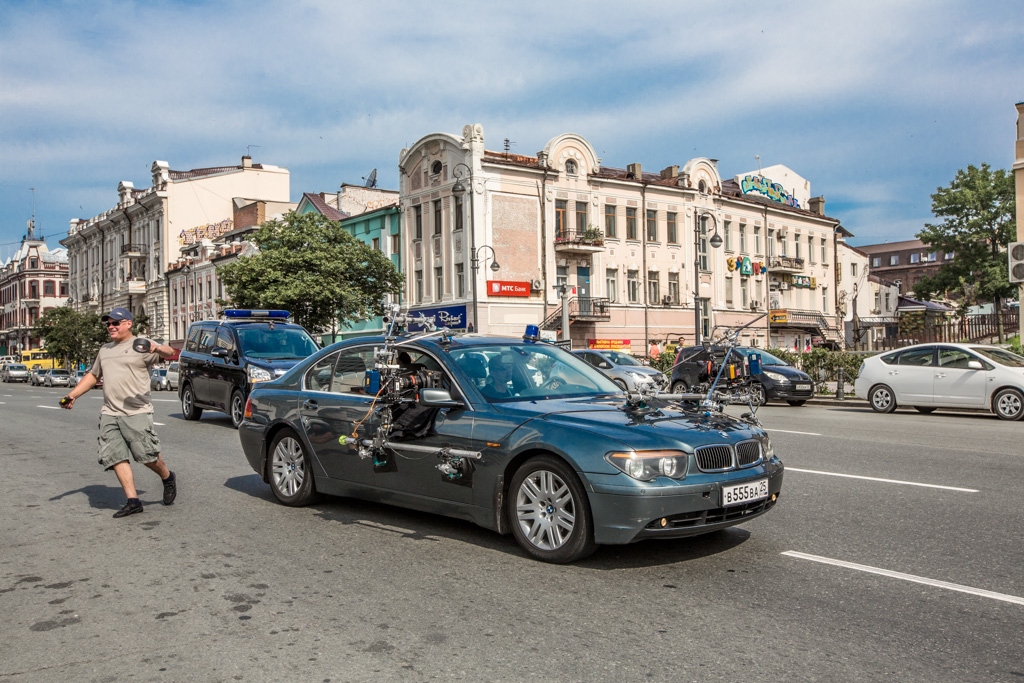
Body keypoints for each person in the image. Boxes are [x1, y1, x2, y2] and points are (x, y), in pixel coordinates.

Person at [60, 307, 178, 518]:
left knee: (147, 456)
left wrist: (156, 347)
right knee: (115, 456)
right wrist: (73, 395)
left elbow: (170, 353)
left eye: (115, 323)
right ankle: (133, 501)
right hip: (110, 412)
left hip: (137, 411)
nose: (111, 327)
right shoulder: (105, 350)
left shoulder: (141, 346)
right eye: (108, 324)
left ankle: (167, 477)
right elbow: (93, 376)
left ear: (128, 324)